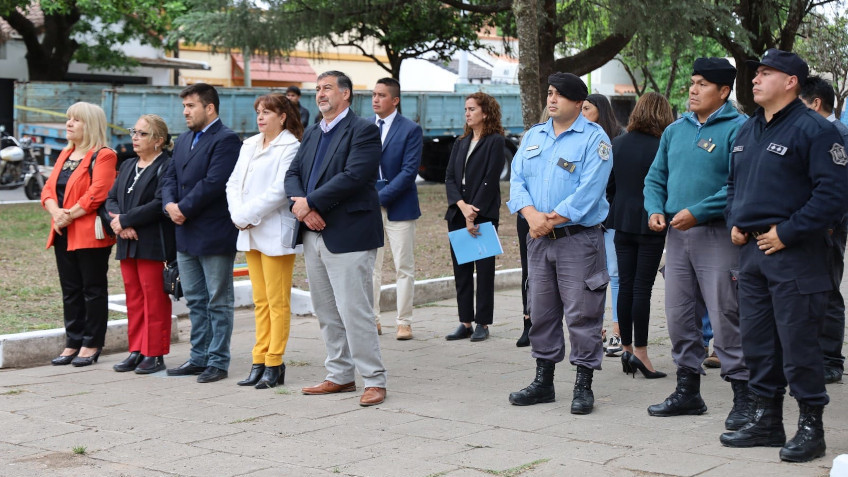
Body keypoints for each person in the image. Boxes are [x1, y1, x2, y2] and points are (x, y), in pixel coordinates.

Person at [721, 49, 848, 463]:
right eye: (755, 73)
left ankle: (811, 427)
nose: (755, 79)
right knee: (757, 341)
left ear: (791, 81)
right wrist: (734, 223)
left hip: (796, 253)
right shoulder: (747, 130)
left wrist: (787, 232)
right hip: (753, 253)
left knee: (799, 343)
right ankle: (767, 419)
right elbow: (733, 187)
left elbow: (832, 195)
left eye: (765, 73)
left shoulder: (815, 130)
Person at [643, 58, 751, 430]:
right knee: (679, 314)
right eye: (692, 82)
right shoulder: (675, 130)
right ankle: (688, 391)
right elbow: (655, 177)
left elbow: (739, 186)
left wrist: (699, 211)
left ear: (723, 92)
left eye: (702, 84)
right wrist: (655, 208)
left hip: (718, 235)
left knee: (726, 316)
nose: (692, 89)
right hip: (676, 235)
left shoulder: (741, 129)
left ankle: (743, 398)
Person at [507, 73, 612, 414]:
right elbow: (517, 179)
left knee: (583, 314)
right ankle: (544, 381)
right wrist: (529, 214)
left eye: (559, 95)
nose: (551, 100)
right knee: (541, 311)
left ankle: (583, 384)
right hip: (539, 240)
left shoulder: (595, 140)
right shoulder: (534, 135)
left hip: (577, 240)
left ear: (579, 103)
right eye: (550, 93)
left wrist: (546, 219)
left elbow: (589, 192)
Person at [284, 70, 388, 407]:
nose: (320, 94)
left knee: (354, 310)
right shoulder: (313, 131)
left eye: (327, 88)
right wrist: (301, 206)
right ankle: (340, 375)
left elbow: (355, 176)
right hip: (313, 233)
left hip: (349, 234)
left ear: (346, 94)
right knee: (326, 310)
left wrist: (311, 203)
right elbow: (293, 174)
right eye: (317, 89)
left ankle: (373, 379)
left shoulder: (364, 130)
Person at [160, 83, 242, 383]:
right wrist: (170, 205)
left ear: (209, 107)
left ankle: (218, 361)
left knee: (218, 300)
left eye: (191, 106)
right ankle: (199, 357)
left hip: (213, 232)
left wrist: (183, 207)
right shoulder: (183, 140)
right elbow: (169, 176)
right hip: (184, 231)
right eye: (184, 106)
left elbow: (215, 182)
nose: (185, 112)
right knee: (194, 299)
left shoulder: (227, 139)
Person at [226, 93, 303, 389]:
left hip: (273, 230)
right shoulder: (248, 145)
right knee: (260, 301)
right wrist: (238, 214)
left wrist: (247, 214)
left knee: (277, 301)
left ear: (282, 117)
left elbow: (280, 190)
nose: (260, 117)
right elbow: (233, 183)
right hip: (248, 229)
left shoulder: (290, 146)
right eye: (258, 111)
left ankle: (275, 362)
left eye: (267, 112)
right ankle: (258, 360)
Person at [41, 102, 117, 367]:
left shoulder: (104, 155)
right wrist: (56, 213)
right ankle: (73, 341)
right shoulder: (65, 153)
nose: (69, 124)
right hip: (63, 230)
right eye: (68, 119)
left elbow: (97, 193)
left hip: (88, 234)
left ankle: (92, 343)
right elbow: (48, 190)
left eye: (76, 120)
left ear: (91, 125)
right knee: (70, 289)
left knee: (92, 289)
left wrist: (67, 214)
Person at [607, 92, 675, 379]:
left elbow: (608, 186)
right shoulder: (663, 147)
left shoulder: (617, 144)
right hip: (651, 223)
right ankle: (643, 354)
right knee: (642, 290)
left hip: (620, 222)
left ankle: (626, 349)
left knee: (624, 284)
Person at [104, 114, 175, 374]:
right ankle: (136, 349)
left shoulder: (167, 165)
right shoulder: (128, 164)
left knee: (154, 298)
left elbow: (159, 203)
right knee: (133, 299)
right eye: (134, 131)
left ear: (158, 140)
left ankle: (155, 353)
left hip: (152, 242)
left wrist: (126, 220)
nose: (135, 137)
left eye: (142, 133)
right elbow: (110, 199)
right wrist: (120, 223)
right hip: (127, 241)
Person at [443, 92, 505, 343]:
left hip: (483, 214)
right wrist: (462, 206)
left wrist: (474, 210)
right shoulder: (460, 142)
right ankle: (465, 321)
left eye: (472, 109)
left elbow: (491, 180)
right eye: (466, 109)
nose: (467, 113)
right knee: (462, 270)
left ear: (485, 113)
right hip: (458, 213)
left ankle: (483, 323)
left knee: (485, 270)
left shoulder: (495, 141)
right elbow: (449, 178)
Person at [799, 76, 848, 385]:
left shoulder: (836, 133)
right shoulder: (813, 131)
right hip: (807, 223)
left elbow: (840, 188)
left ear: (815, 103)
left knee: (828, 290)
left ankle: (831, 358)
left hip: (828, 226)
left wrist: (830, 225)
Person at [369, 78, 423, 340]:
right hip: (369, 206)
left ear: (395, 100)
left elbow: (409, 172)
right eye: (373, 95)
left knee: (404, 266)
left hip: (400, 206)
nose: (375, 99)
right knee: (371, 266)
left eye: (381, 95)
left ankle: (404, 322)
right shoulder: (365, 127)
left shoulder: (410, 129)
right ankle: (373, 319)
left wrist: (382, 197)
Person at [583, 93, 625, 356]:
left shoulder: (617, 140)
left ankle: (617, 333)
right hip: (584, 220)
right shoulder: (582, 139)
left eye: (587, 109)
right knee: (590, 278)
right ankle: (593, 328)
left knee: (614, 274)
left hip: (609, 218)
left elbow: (616, 183)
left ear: (600, 110)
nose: (582, 113)